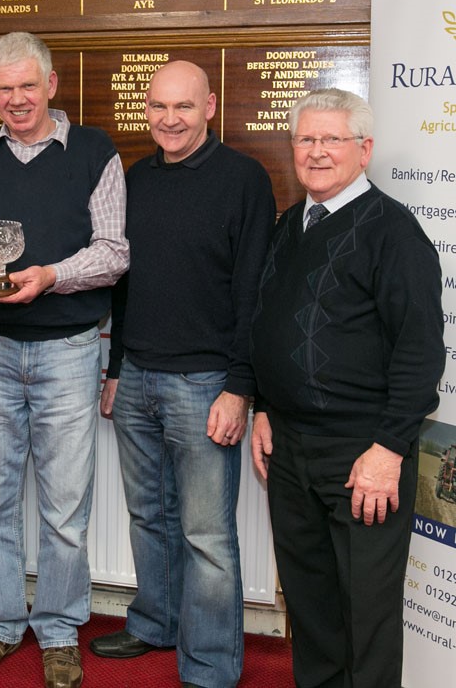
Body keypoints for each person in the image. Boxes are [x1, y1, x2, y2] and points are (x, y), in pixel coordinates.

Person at [0, 32, 129, 688]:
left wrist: (48, 276)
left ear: (51, 85)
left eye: (28, 86)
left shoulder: (96, 152)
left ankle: (56, 629)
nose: (16, 99)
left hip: (70, 350)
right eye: (3, 88)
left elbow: (112, 251)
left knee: (65, 503)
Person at [88, 60, 275, 688]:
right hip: (136, 374)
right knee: (150, 516)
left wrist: (240, 387)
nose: (170, 119)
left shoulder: (244, 179)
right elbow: (121, 283)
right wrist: (115, 368)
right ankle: (156, 623)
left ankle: (212, 665)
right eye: (159, 106)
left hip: (205, 386)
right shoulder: (136, 179)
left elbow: (254, 292)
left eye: (185, 107)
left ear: (210, 106)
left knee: (206, 533)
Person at [250, 89, 444, 688]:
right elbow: (268, 322)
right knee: (311, 610)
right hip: (289, 450)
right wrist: (262, 406)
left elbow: (420, 352)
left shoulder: (395, 233)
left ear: (364, 150)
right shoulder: (291, 224)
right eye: (305, 139)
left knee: (367, 618)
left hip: (363, 455)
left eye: (331, 139)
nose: (316, 152)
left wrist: (388, 450)